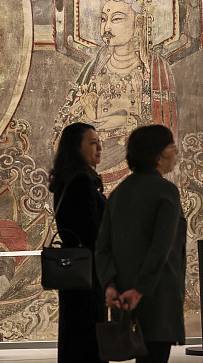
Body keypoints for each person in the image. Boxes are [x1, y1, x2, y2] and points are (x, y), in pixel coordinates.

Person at [55, 0, 176, 185]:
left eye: (117, 19)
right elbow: (67, 122)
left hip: (134, 172)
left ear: (139, 23)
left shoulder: (156, 69)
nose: (107, 28)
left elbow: (161, 131)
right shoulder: (93, 67)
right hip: (94, 169)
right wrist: (89, 117)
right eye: (103, 19)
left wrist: (126, 124)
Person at [96, 124, 186, 363]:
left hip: (122, 295)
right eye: (171, 147)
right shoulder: (166, 191)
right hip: (155, 296)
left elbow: (102, 246)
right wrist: (141, 289)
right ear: (157, 155)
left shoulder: (119, 192)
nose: (175, 153)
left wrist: (110, 285)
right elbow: (161, 247)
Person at [48, 123, 106, 363]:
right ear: (76, 147)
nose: (100, 147)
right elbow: (93, 231)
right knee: (89, 340)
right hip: (89, 271)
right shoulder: (81, 181)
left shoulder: (68, 178)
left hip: (76, 270)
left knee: (75, 337)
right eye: (92, 142)